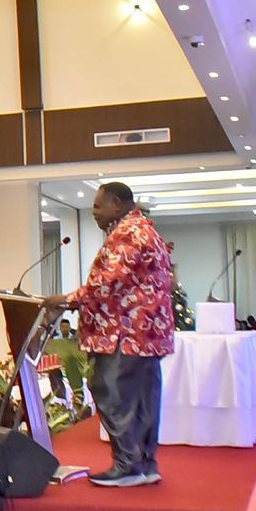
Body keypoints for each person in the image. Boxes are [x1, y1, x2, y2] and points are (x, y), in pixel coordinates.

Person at [43, 182, 174, 487]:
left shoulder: (128, 234)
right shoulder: (145, 230)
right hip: (145, 334)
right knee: (142, 400)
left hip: (126, 334)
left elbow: (107, 283)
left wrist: (65, 300)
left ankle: (128, 465)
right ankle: (144, 465)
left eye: (97, 206)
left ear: (116, 203)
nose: (94, 213)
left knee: (112, 393)